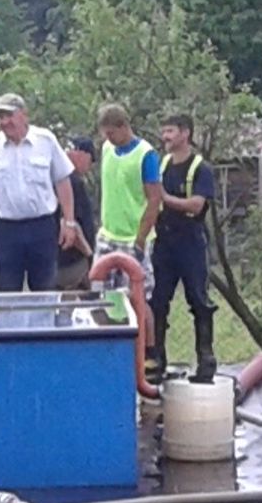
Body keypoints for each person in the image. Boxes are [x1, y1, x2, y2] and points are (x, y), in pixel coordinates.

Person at [0, 93, 78, 296]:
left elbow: (62, 181)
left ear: (24, 115)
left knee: (45, 291)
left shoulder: (46, 140)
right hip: (7, 230)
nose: (4, 122)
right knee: (7, 292)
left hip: (42, 228)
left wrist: (69, 221)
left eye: (9, 116)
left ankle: (44, 318)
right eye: (1, 117)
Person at [147, 114, 221, 384]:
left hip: (191, 241)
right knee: (156, 301)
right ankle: (157, 361)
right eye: (163, 131)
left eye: (170, 131)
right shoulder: (161, 164)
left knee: (199, 300)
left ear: (185, 133)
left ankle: (206, 360)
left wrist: (164, 198)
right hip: (163, 242)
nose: (165, 137)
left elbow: (196, 205)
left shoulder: (201, 168)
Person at [86, 102, 159, 275]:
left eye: (111, 133)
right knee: (100, 285)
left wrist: (141, 238)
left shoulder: (146, 155)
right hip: (108, 234)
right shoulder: (107, 148)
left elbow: (154, 199)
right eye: (105, 134)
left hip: (133, 237)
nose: (108, 138)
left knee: (135, 287)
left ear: (124, 127)